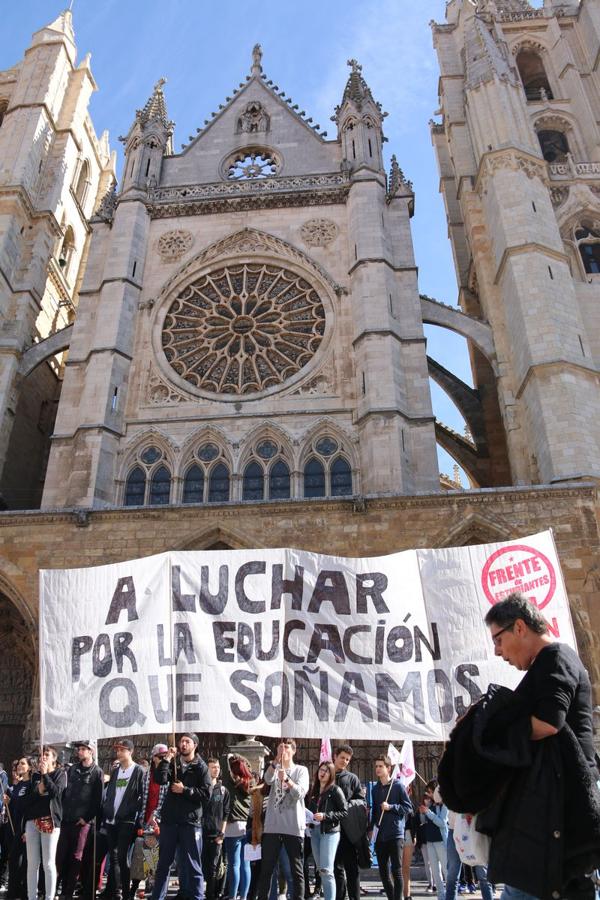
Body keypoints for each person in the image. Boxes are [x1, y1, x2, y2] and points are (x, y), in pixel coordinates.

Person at [483, 592, 600, 900]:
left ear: (519, 627)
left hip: (557, 810)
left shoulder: (556, 656)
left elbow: (549, 721)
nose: (497, 651)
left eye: (498, 639)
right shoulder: (549, 662)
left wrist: (488, 731)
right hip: (553, 811)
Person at [150, 732, 211, 900]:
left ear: (194, 745)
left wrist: (185, 790)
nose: (183, 744)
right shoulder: (174, 764)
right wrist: (167, 759)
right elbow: (160, 779)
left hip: (190, 822)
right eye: (181, 741)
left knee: (193, 864)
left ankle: (198, 896)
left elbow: (206, 794)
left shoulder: (201, 767)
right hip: (170, 822)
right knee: (164, 864)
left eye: (187, 741)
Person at [257, 738, 309, 900]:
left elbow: (300, 792)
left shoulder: (301, 770)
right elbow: (267, 780)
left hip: (293, 827)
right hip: (273, 826)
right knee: (266, 869)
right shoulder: (274, 767)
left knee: (296, 869)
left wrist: (286, 779)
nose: (283, 750)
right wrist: (274, 763)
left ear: (293, 751)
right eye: (280, 747)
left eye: (286, 747)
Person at [56, 739, 103, 899]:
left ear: (91, 752)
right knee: (61, 855)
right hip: (66, 819)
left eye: (84, 749)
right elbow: (64, 793)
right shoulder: (72, 769)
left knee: (76, 857)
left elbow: (97, 800)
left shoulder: (97, 772)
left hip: (82, 823)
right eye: (79, 749)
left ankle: (68, 892)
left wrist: (86, 818)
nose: (80, 751)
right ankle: (56, 888)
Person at [102, 738, 144, 900]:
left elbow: (142, 796)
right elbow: (111, 793)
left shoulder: (138, 770)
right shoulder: (116, 771)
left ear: (130, 751)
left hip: (127, 820)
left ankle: (126, 893)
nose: (118, 752)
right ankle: (115, 891)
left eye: (122, 750)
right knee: (114, 857)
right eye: (117, 750)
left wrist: (136, 816)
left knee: (121, 856)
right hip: (111, 820)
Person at [23, 745, 67, 900]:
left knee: (48, 863)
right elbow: (27, 801)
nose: (43, 757)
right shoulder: (34, 776)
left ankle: (49, 896)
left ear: (54, 758)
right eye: (41, 754)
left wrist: (45, 776)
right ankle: (31, 897)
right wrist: (38, 791)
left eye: (47, 754)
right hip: (33, 822)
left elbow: (56, 793)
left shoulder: (60, 774)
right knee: (32, 863)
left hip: (51, 822)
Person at [129, 744, 170, 900]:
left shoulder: (168, 774)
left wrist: (156, 815)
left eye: (165, 757)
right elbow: (142, 799)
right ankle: (144, 887)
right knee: (147, 857)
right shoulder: (146, 775)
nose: (162, 760)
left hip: (161, 822)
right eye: (160, 757)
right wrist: (142, 819)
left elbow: (166, 800)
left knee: (159, 860)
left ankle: (155, 889)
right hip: (147, 822)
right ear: (153, 758)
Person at [369, 756, 412, 900]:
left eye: (381, 766)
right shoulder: (375, 789)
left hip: (395, 834)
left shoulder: (398, 786)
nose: (378, 769)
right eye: (376, 766)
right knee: (383, 872)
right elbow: (375, 811)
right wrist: (371, 829)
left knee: (396, 870)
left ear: (389, 768)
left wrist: (391, 807)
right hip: (380, 835)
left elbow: (408, 807)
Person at [308, 761, 347, 900]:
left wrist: (325, 816)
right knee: (320, 870)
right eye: (320, 770)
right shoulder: (314, 790)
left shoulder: (335, 790)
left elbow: (344, 812)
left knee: (327, 869)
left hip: (329, 832)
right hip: (315, 832)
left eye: (326, 771)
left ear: (331, 774)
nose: (322, 773)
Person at [332, 745, 365, 900]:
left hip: (347, 829)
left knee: (351, 867)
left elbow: (361, 801)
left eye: (347, 759)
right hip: (330, 828)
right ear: (335, 756)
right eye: (342, 758)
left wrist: (347, 805)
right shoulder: (327, 774)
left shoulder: (352, 778)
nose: (344, 761)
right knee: (335, 867)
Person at [222, 754, 254, 900]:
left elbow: (224, 762)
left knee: (234, 864)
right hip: (246, 826)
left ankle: (233, 896)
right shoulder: (251, 782)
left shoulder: (231, 782)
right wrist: (242, 759)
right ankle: (244, 896)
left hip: (232, 826)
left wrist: (230, 756)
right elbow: (248, 766)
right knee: (245, 864)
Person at [202, 758, 230, 900]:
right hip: (201, 833)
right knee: (200, 866)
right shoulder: (202, 788)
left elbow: (226, 813)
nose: (216, 769)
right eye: (213, 767)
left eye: (218, 767)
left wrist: (222, 833)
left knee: (214, 868)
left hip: (216, 835)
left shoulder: (223, 790)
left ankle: (210, 895)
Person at [5, 756, 33, 899]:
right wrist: (8, 802)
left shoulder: (32, 785)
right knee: (14, 861)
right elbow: (16, 806)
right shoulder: (18, 785)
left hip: (26, 830)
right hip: (15, 829)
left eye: (23, 764)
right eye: (18, 764)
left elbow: (31, 809)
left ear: (29, 767)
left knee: (25, 864)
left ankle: (23, 892)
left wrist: (28, 830)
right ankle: (12, 892)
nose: (19, 766)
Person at [418, 785, 447, 900]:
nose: (428, 795)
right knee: (435, 871)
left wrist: (429, 812)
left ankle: (450, 895)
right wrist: (422, 813)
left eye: (430, 792)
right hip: (430, 841)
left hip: (441, 841)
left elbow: (442, 823)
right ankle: (441, 896)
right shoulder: (430, 805)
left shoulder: (444, 805)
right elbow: (423, 821)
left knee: (446, 870)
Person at [401, 786, 417, 900]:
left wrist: (414, 836)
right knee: (396, 867)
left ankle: (407, 895)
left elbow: (413, 821)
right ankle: (397, 893)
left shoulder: (411, 804)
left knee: (406, 867)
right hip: (395, 835)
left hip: (407, 835)